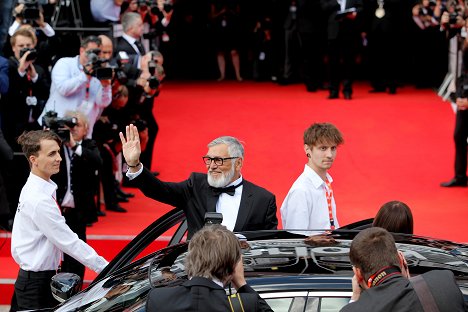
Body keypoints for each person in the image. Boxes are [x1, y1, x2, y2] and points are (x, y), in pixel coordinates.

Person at [120, 124, 278, 238]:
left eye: (218, 160)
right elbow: (159, 190)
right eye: (208, 160)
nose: (211, 166)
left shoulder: (263, 200)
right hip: (199, 277)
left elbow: (268, 246)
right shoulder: (195, 185)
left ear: (238, 163)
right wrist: (134, 165)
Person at [11, 130, 108, 310]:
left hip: (40, 281)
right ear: (33, 159)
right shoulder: (38, 198)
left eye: (58, 151)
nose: (59, 158)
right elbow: (68, 241)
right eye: (51, 154)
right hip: (36, 286)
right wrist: (105, 268)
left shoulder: (41, 188)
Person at [146, 224, 273, 312]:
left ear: (190, 258)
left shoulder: (158, 298)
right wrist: (241, 284)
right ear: (233, 266)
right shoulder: (246, 304)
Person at [340, 227, 466, 312]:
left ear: (358, 274)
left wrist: (355, 299)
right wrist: (415, 285)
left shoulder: (356, 310)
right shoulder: (443, 282)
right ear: (401, 259)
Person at [53, 111, 103, 280]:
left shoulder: (89, 145)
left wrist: (75, 146)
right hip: (59, 210)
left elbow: (98, 161)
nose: (73, 129)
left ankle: (75, 289)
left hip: (78, 211)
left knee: (78, 253)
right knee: (58, 254)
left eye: (77, 125)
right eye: (70, 125)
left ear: (86, 129)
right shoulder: (56, 146)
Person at [38, 35, 112, 138]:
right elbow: (64, 89)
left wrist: (106, 86)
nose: (94, 56)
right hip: (57, 127)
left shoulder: (100, 70)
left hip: (83, 132)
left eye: (97, 53)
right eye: (91, 52)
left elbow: (103, 103)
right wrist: (85, 75)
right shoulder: (65, 63)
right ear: (81, 50)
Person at [281, 123, 344, 235]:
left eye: (333, 148)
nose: (330, 154)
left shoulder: (325, 184)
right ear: (307, 149)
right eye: (323, 148)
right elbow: (296, 243)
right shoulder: (301, 190)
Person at [440, 36, 468, 187]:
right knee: (459, 136)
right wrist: (458, 96)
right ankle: (460, 176)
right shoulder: (465, 46)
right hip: (463, 101)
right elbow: (463, 75)